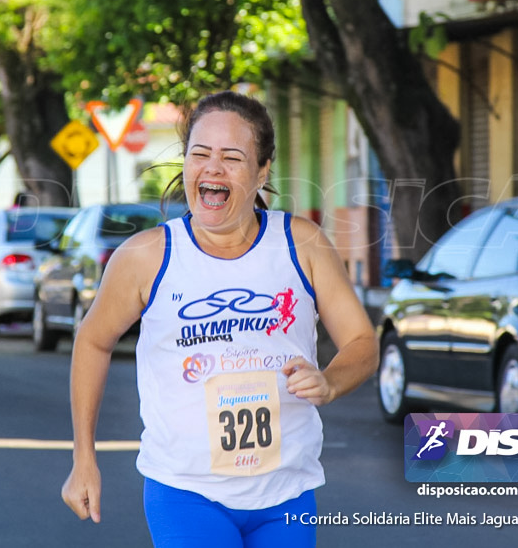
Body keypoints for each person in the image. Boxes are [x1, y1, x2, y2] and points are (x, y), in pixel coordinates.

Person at [61, 90, 379, 547]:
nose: (212, 168)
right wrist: (83, 458)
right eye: (199, 154)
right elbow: (92, 341)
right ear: (186, 164)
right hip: (186, 491)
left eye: (232, 157)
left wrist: (329, 381)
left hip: (286, 491)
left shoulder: (300, 244)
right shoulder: (147, 257)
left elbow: (362, 345)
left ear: (262, 171)